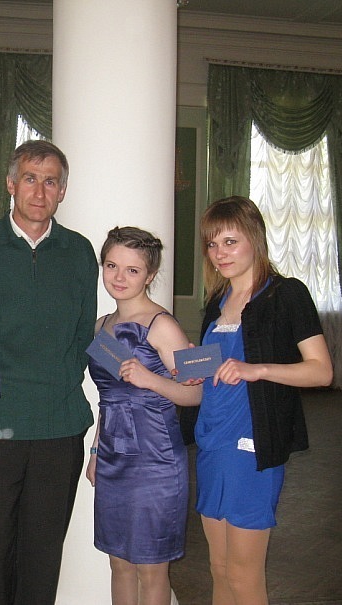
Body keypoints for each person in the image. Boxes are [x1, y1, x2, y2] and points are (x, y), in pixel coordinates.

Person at [0, 140, 98, 605]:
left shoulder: (79, 252)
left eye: (50, 181)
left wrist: (55, 384)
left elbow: (82, 334)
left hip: (58, 427)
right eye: (30, 179)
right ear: (11, 184)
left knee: (42, 557)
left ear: (63, 191)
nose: (40, 191)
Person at [191, 196, 333, 604]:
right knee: (219, 569)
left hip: (252, 448)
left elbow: (321, 371)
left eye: (230, 242)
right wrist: (192, 369)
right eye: (212, 244)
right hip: (212, 443)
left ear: (255, 239)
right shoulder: (216, 302)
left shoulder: (286, 294)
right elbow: (216, 371)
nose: (220, 253)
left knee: (243, 575)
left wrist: (259, 369)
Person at [85, 227, 202, 605]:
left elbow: (195, 394)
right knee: (118, 562)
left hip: (156, 460)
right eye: (111, 266)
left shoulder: (162, 325)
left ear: (150, 275)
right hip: (113, 457)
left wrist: (151, 380)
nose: (119, 277)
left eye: (132, 270)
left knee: (151, 567)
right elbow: (108, 399)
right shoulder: (100, 326)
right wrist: (95, 452)